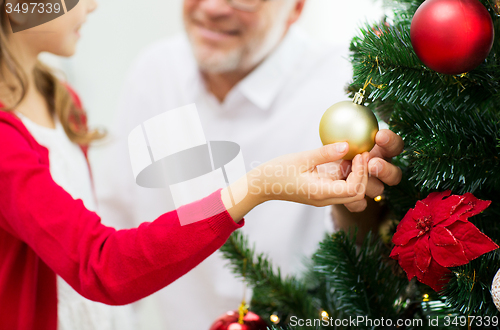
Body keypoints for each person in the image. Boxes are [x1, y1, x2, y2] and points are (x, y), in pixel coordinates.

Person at [0, 0, 372, 329]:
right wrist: (256, 186)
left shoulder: (61, 100)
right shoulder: (8, 140)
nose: (94, 6)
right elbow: (102, 262)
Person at [95, 0, 404, 328]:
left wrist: (359, 204)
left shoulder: (352, 93)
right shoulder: (155, 72)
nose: (213, 7)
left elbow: (373, 264)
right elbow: (114, 222)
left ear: (296, 8)